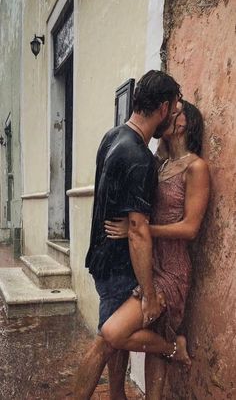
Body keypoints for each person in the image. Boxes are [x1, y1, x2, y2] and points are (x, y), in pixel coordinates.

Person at [74, 70, 181, 399]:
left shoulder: (113, 136)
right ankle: (169, 350)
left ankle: (117, 394)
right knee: (106, 343)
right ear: (162, 108)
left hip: (102, 259)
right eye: (174, 108)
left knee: (111, 345)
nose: (175, 116)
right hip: (118, 267)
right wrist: (149, 293)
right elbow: (137, 231)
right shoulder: (140, 158)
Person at [103, 99, 210, 399]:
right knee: (155, 340)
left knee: (113, 333)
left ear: (183, 124)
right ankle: (172, 347)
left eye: (174, 113)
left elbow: (190, 228)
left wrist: (142, 231)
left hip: (173, 269)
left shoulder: (196, 168)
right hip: (149, 264)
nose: (167, 116)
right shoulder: (157, 162)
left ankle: (175, 347)